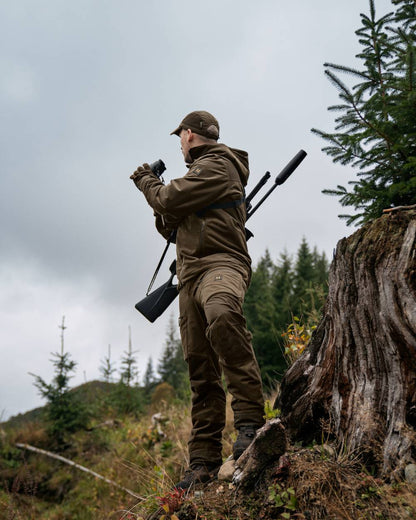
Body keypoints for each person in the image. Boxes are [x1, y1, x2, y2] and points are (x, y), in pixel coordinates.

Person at [130, 110, 264, 489]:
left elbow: (168, 198)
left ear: (189, 135)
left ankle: (251, 423)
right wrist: (164, 204)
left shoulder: (219, 165)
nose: (180, 144)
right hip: (188, 275)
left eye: (180, 137)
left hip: (222, 263)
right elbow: (169, 218)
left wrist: (146, 181)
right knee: (199, 366)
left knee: (223, 315)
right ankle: (202, 461)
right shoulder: (198, 174)